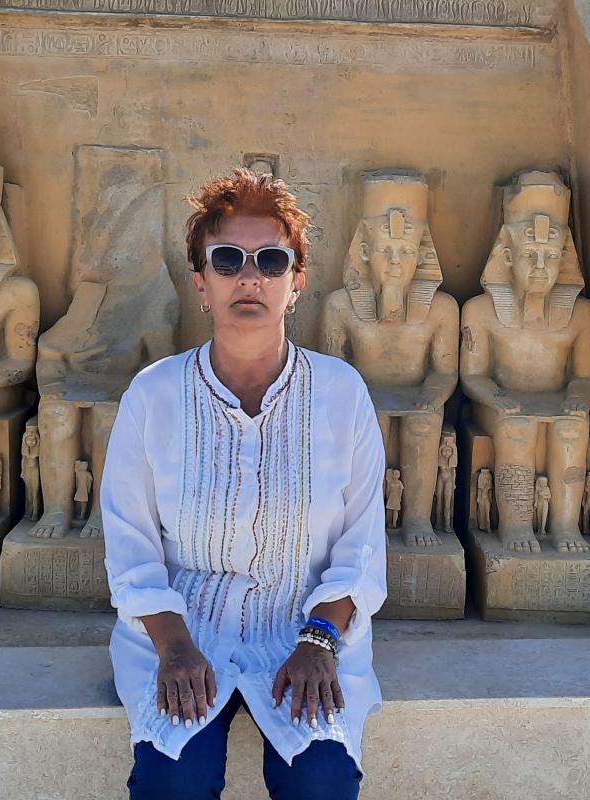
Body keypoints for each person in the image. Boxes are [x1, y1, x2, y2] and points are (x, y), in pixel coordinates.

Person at [102, 169, 388, 799]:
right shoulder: (153, 395)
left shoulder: (341, 393)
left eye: (271, 261)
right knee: (172, 781)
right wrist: (175, 648)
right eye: (228, 260)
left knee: (321, 780)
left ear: (297, 281)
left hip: (304, 629)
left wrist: (319, 641)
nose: (249, 277)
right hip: (182, 632)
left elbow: (361, 547)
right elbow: (131, 545)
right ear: (202, 284)